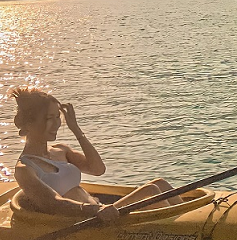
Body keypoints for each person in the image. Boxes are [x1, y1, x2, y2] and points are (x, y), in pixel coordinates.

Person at [10, 87, 182, 221]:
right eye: (49, 118)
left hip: (102, 211)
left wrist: (76, 130)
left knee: (161, 184)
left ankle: (192, 223)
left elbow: (97, 169)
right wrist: (94, 210)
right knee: (151, 190)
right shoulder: (25, 169)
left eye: (57, 117)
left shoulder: (61, 150)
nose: (56, 124)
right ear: (29, 124)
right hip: (86, 221)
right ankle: (184, 234)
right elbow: (52, 203)